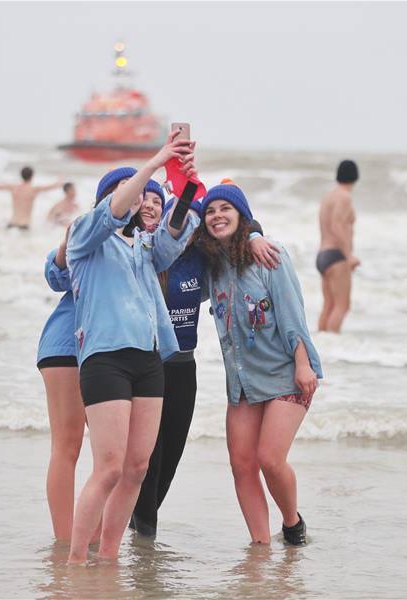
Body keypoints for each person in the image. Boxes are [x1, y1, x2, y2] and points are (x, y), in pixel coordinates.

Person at [65, 132, 197, 564]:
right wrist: (155, 162)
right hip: (105, 360)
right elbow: (113, 211)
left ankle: (107, 559)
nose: (141, 199)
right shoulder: (86, 237)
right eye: (131, 191)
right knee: (109, 468)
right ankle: (75, 562)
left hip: (148, 361)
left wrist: (186, 185)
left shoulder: (143, 247)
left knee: (137, 469)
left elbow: (174, 235)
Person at [130, 180, 283, 538]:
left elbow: (229, 221)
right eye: (146, 201)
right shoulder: (143, 252)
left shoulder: (201, 256)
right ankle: (144, 540)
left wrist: (254, 235)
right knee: (148, 460)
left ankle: (136, 529)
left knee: (170, 460)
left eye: (159, 200)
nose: (185, 226)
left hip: (184, 367)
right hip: (145, 366)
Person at [195, 182, 322, 546]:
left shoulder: (269, 255)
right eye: (210, 211)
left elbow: (292, 313)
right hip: (242, 382)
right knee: (241, 464)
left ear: (243, 216)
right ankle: (260, 545)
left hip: (287, 373)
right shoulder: (211, 267)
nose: (217, 216)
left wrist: (303, 364)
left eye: (226, 209)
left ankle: (292, 523)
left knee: (269, 459)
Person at [37, 227, 86, 542]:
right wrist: (67, 243)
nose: (148, 206)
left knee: (117, 453)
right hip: (67, 344)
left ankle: (92, 538)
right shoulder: (97, 233)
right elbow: (56, 275)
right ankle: (65, 542)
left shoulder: (151, 246)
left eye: (156, 203)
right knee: (67, 445)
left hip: (113, 349)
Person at [316, 160, 360, 333]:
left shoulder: (329, 196)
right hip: (337, 255)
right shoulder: (345, 197)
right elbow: (337, 226)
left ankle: (322, 344)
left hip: (323, 254)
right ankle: (333, 344)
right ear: (355, 176)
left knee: (329, 305)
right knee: (342, 306)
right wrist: (348, 256)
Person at [0, 166, 62, 231]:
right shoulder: (34, 189)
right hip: (24, 226)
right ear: (32, 176)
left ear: (21, 175)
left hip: (11, 224)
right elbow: (56, 185)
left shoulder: (13, 187)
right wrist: (60, 177)